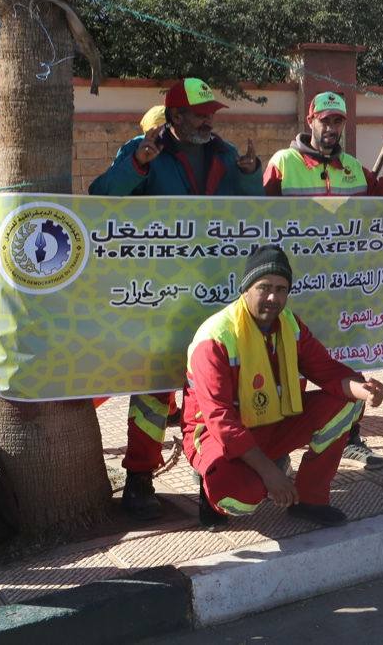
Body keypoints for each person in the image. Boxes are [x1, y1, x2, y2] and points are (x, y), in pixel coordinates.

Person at [90, 78, 266, 519]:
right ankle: (139, 479)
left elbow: (251, 215)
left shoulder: (227, 156)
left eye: (212, 113)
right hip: (158, 296)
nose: (209, 120)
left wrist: (248, 179)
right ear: (176, 117)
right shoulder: (142, 149)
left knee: (213, 387)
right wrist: (137, 165)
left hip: (214, 294)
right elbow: (102, 198)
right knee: (152, 391)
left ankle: (209, 469)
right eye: (200, 113)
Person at [185, 245, 383, 532]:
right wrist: (270, 474)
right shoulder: (215, 338)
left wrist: (365, 389)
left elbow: (326, 370)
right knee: (240, 497)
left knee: (347, 401)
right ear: (245, 289)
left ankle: (310, 499)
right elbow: (220, 420)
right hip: (215, 437)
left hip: (271, 424)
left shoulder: (289, 325)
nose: (273, 297)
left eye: (281, 289)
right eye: (264, 287)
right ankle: (209, 487)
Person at [264, 91, 383, 466]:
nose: (330, 128)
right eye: (324, 120)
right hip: (292, 293)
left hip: (345, 293)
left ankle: (350, 438)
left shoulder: (356, 170)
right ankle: (278, 449)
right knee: (287, 373)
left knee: (346, 365)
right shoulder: (283, 163)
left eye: (338, 121)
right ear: (310, 121)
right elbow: (256, 219)